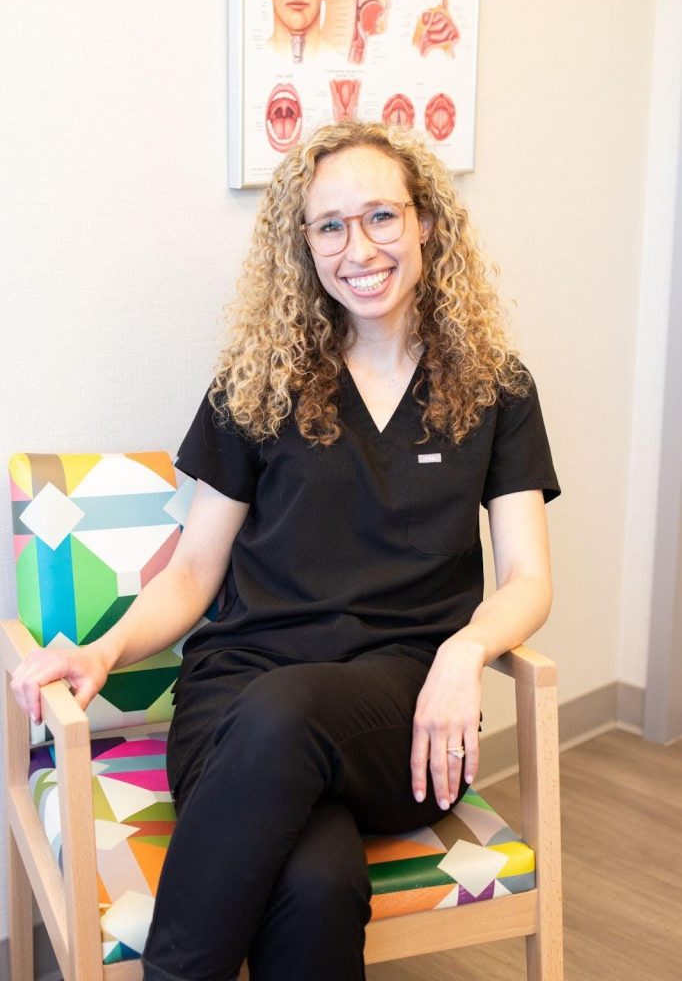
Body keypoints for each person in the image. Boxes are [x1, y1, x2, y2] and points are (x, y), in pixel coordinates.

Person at [10, 120, 560, 981]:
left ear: (426, 224)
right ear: (304, 246)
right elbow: (194, 572)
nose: (359, 247)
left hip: (404, 718)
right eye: (330, 225)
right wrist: (103, 650)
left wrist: (466, 649)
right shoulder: (259, 382)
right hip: (236, 701)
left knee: (287, 714)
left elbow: (528, 578)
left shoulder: (496, 387)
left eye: (381, 215)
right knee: (316, 883)